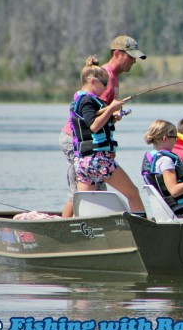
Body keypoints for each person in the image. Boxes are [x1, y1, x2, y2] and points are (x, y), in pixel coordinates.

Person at [60, 35, 146, 217]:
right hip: (80, 142)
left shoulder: (110, 78)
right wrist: (110, 112)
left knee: (90, 195)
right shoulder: (103, 75)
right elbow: (92, 119)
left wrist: (112, 116)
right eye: (130, 56)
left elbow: (99, 114)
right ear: (116, 53)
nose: (133, 61)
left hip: (91, 148)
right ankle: (63, 226)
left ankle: (71, 225)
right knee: (80, 194)